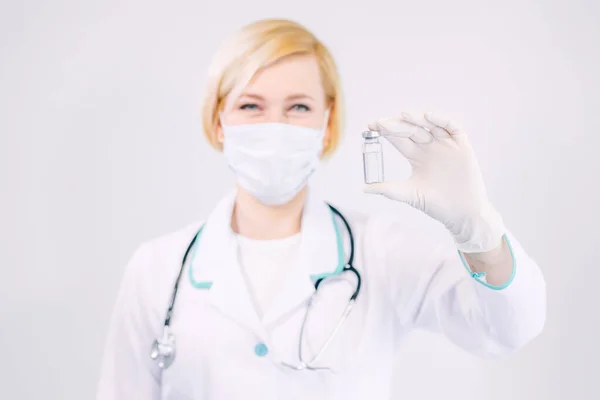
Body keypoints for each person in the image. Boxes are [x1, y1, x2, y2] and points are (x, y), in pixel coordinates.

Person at [96, 18, 546, 400]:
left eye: (298, 107)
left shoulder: (381, 252)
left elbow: (507, 330)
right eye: (251, 105)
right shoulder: (157, 269)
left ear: (328, 124)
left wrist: (479, 232)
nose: (274, 126)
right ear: (218, 122)